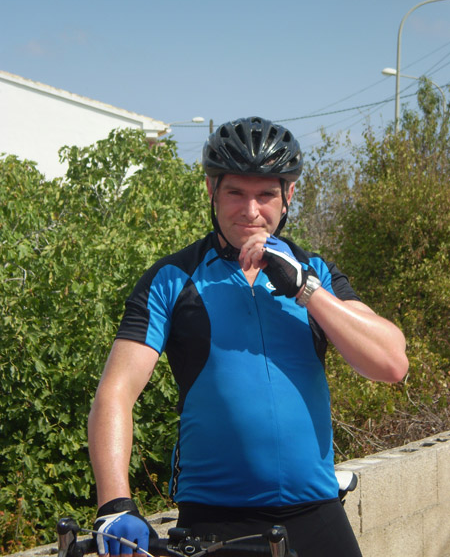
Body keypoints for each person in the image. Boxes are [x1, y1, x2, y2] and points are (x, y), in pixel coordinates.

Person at [88, 116, 408, 557]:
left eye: (266, 195)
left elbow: (391, 363)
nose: (251, 210)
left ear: (288, 195)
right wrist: (115, 503)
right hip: (216, 520)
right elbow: (115, 393)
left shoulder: (316, 272)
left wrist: (307, 290)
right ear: (211, 190)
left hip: (317, 514)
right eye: (236, 192)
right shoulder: (172, 278)